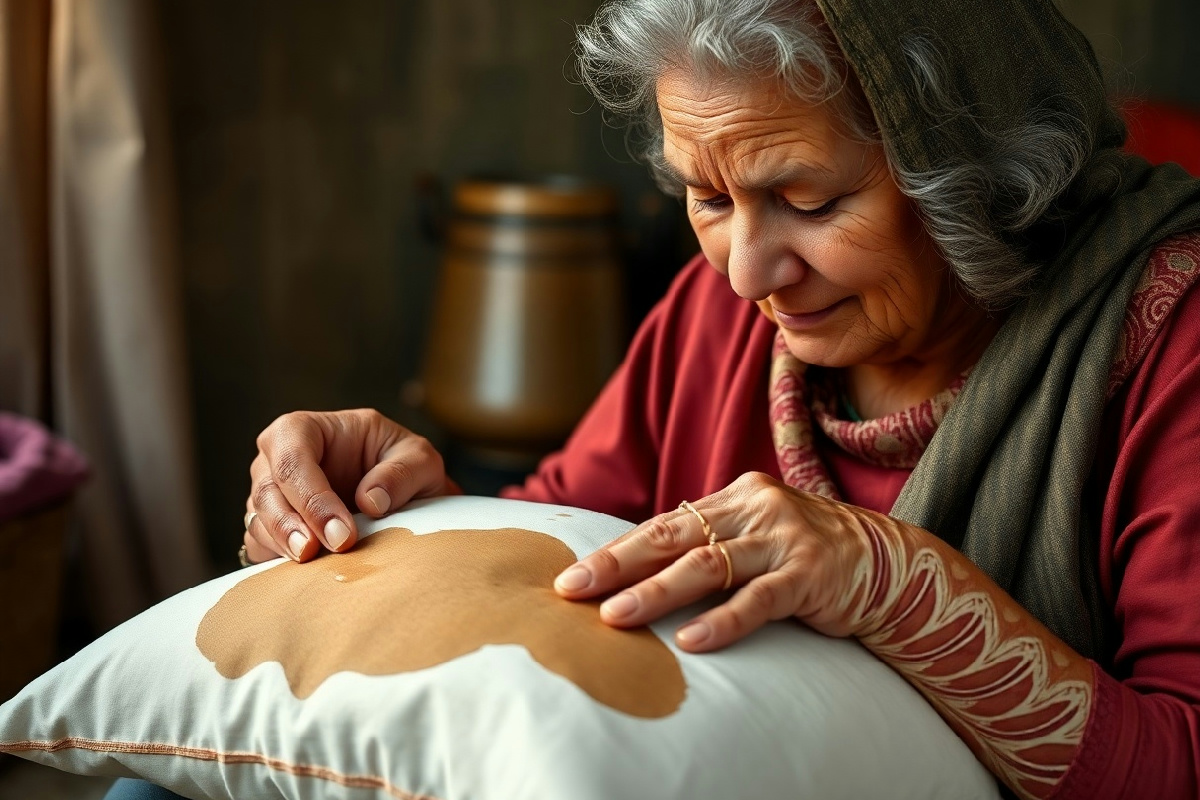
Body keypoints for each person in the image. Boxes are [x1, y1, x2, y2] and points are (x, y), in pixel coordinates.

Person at [107, 0, 1200, 798]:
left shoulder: (1167, 342)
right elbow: (565, 545)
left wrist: (894, 584)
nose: (746, 271)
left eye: (809, 199)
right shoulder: (716, 316)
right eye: (707, 196)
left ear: (975, 159)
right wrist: (413, 511)